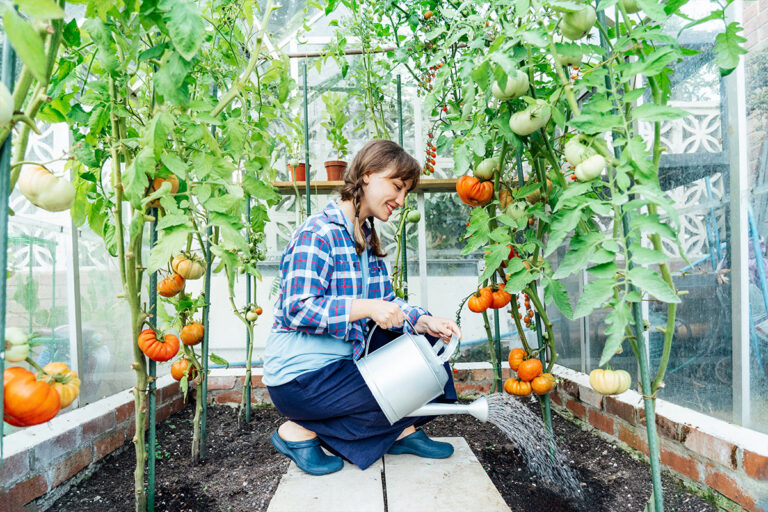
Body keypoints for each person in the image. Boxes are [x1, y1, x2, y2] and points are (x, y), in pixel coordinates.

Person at [263, 139, 462, 475]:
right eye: (397, 187)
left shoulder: (364, 238)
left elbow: (386, 303)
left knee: (431, 362)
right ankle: (297, 431)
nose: (400, 200)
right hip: (301, 378)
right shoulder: (319, 233)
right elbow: (295, 308)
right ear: (368, 175)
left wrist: (425, 321)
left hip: (342, 365)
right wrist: (364, 308)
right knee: (403, 390)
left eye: (406, 193)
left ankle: (400, 431)